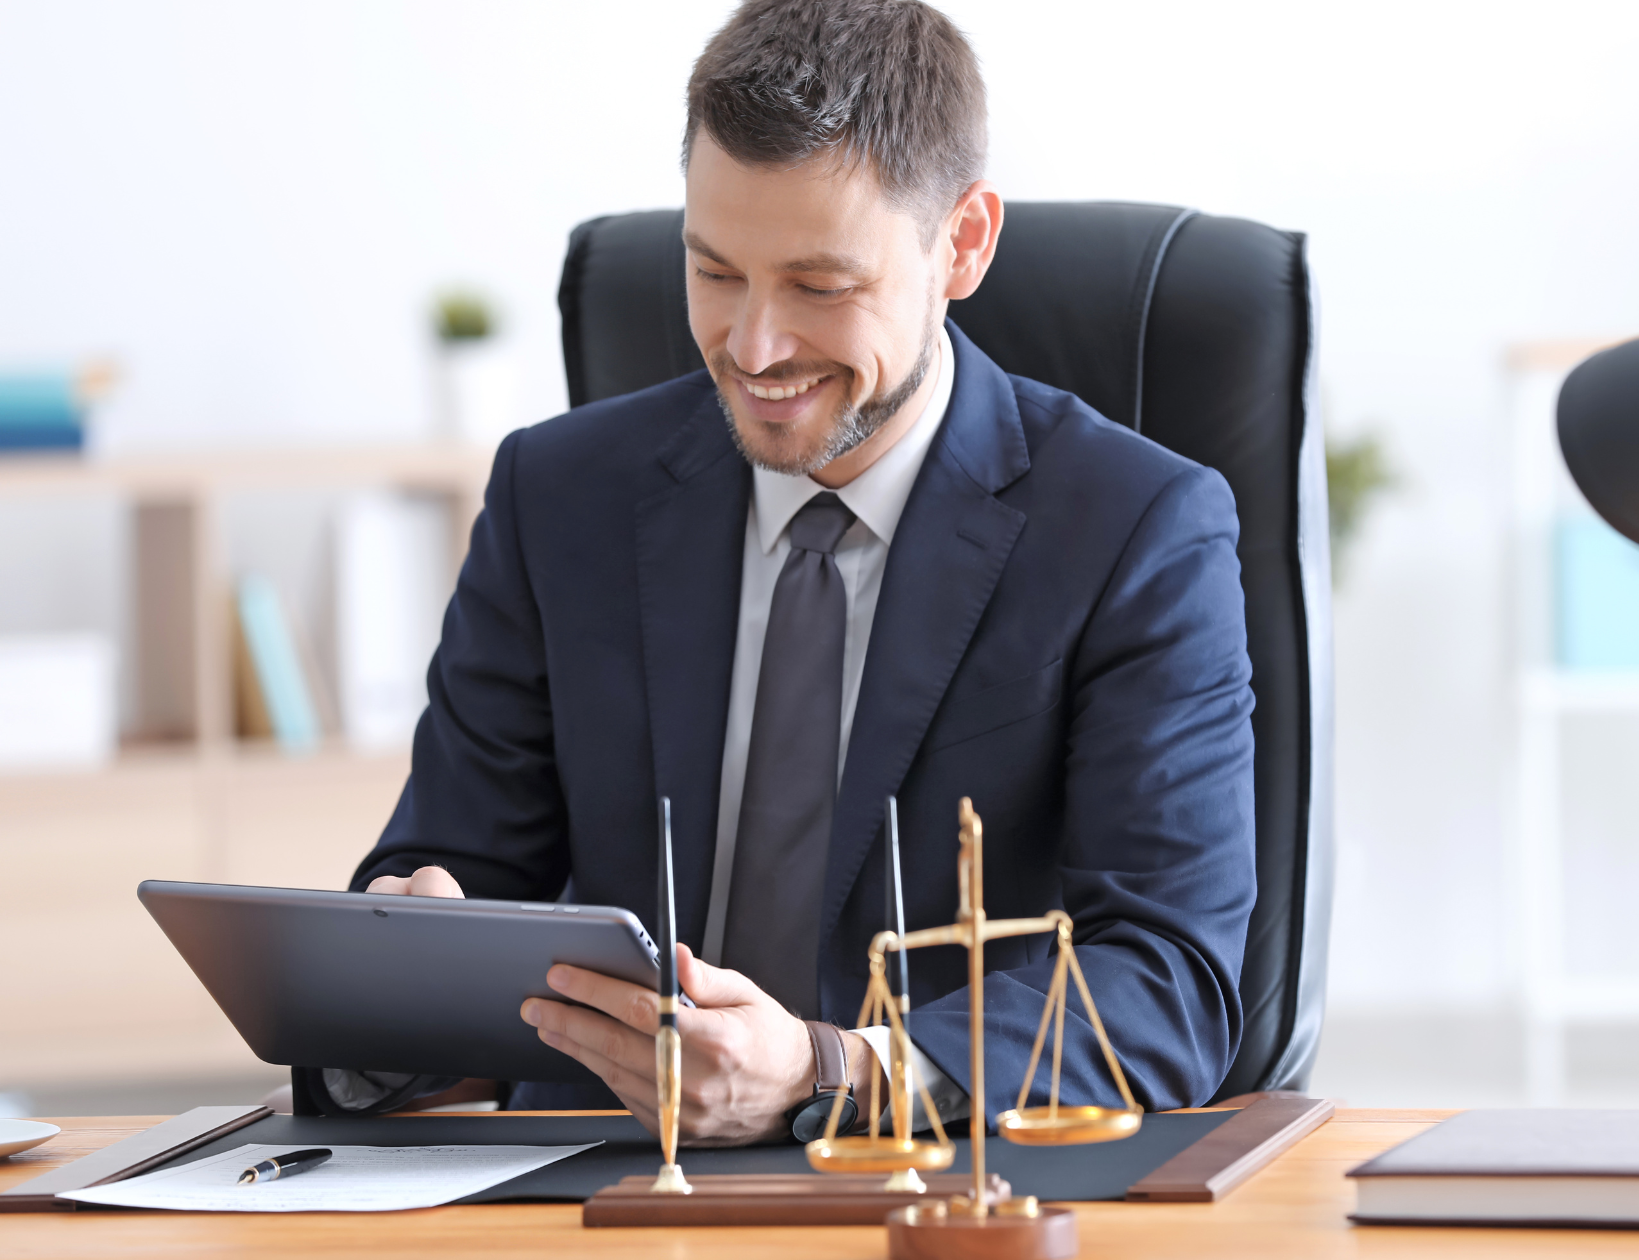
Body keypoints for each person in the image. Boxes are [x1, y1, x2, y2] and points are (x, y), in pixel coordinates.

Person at [324, 0, 1257, 1145]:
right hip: (600, 1183)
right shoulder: (555, 495)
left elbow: (1170, 983)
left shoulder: (1135, 530)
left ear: (961, 245)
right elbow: (453, 870)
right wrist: (393, 972)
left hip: (931, 1189)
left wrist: (832, 1070)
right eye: (715, 272)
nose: (754, 348)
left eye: (820, 287)